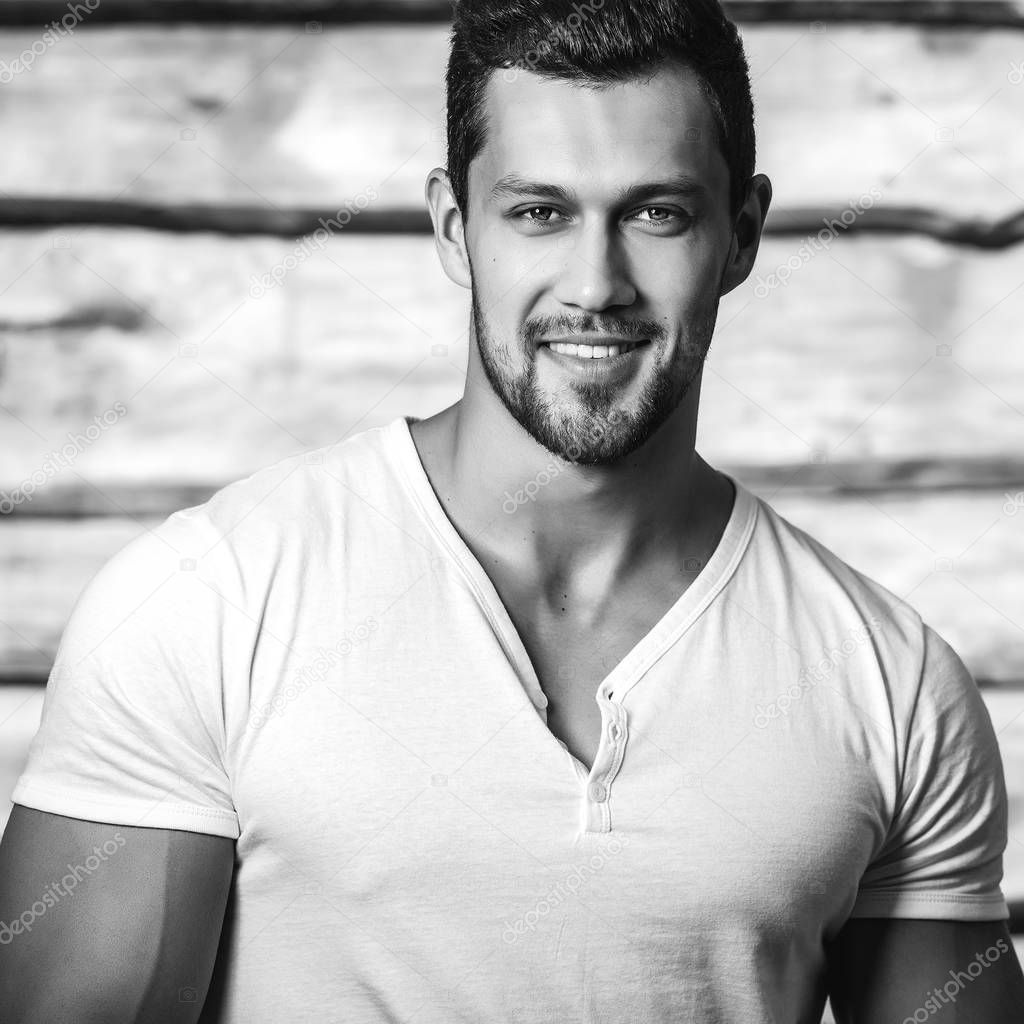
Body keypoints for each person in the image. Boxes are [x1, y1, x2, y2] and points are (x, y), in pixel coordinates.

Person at [2, 1, 1022, 1020]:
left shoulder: (889, 681)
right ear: (456, 228)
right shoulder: (208, 602)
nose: (595, 284)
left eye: (654, 212)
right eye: (540, 213)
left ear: (742, 234)